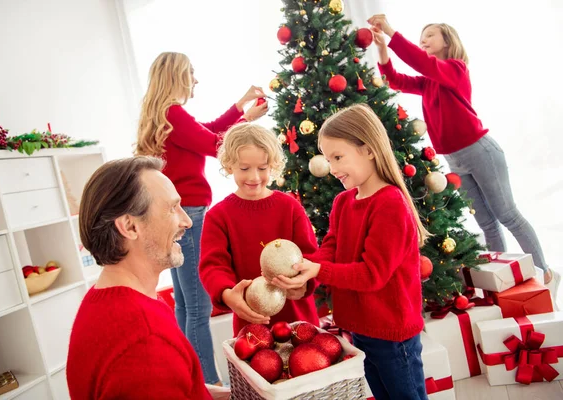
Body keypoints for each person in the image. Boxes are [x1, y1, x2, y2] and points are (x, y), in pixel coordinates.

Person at [367, 15, 560, 299]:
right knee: (487, 224)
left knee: (507, 215)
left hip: (479, 151)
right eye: (422, 35)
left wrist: (391, 31)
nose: (424, 39)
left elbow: (422, 62)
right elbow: (393, 80)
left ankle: (545, 273)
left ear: (448, 41)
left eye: (430, 35)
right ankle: (504, 282)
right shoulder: (429, 81)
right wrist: (382, 47)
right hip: (456, 159)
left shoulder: (454, 69)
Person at [272, 105, 429, 400]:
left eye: (338, 157)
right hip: (361, 330)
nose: (331, 168)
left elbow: (373, 274)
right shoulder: (344, 202)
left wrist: (319, 271)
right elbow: (330, 248)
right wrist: (305, 270)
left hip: (393, 335)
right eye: (328, 159)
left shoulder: (390, 204)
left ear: (368, 150)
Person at [134, 52, 268, 384]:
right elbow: (215, 144)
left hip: (175, 214)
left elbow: (207, 131)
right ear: (177, 76)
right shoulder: (174, 113)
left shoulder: (167, 115)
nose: (195, 79)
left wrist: (239, 109)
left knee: (183, 304)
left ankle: (191, 377)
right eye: (191, 73)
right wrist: (247, 120)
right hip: (189, 215)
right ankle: (208, 384)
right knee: (198, 308)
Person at [67, 157, 229, 400]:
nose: (186, 221)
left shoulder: (104, 298)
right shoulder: (145, 343)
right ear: (130, 227)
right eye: (172, 208)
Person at [199, 123, 319, 336]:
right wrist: (227, 294)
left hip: (299, 319)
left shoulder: (290, 207)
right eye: (244, 168)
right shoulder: (218, 216)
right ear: (229, 166)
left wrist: (304, 285)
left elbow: (311, 256)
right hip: (252, 327)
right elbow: (213, 266)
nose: (254, 177)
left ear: (272, 166)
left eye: (262, 168)